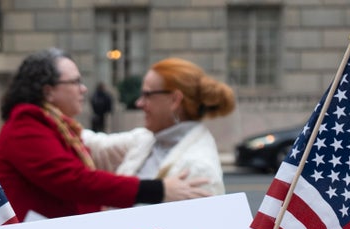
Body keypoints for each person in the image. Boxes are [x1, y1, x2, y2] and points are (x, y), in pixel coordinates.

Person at [0, 48, 211, 221]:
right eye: (75, 82)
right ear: (48, 91)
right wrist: (158, 189)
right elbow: (75, 181)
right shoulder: (25, 126)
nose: (83, 89)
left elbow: (99, 150)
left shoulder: (57, 126)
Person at [82, 57, 236, 197]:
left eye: (147, 95)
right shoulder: (149, 139)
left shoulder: (199, 167)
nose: (139, 103)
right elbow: (95, 146)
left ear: (175, 100)